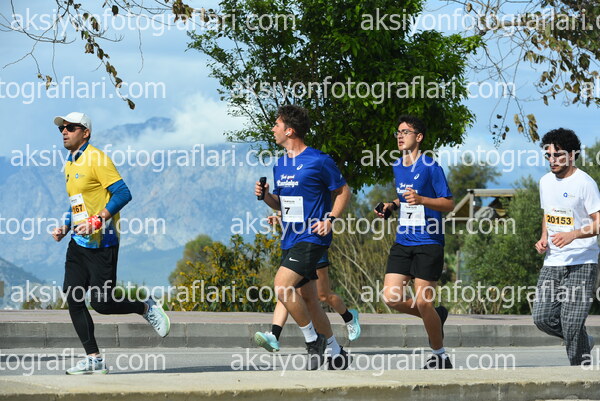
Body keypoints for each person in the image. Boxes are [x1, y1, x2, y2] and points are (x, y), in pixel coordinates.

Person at [50, 112, 170, 375]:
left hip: (103, 242)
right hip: (78, 243)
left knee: (102, 304)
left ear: (85, 132)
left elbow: (123, 193)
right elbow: (77, 203)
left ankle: (145, 307)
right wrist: (66, 226)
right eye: (62, 128)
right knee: (74, 298)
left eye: (71, 127)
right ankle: (93, 358)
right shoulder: (70, 163)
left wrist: (98, 220)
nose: (64, 132)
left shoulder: (97, 159)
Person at [254, 105, 351, 370]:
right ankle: (336, 351)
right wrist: (266, 196)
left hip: (312, 237)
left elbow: (343, 191)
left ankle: (312, 340)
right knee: (309, 299)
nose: (272, 129)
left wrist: (330, 219)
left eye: (276, 124)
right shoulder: (280, 164)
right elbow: (281, 203)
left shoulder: (319, 160)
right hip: (290, 238)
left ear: (290, 130)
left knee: (282, 286)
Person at [374, 115, 454, 369]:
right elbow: (404, 197)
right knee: (391, 298)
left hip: (429, 241)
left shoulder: (431, 167)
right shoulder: (398, 166)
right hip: (403, 241)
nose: (400, 136)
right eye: (398, 132)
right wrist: (391, 205)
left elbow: (448, 203)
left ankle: (440, 356)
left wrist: (423, 200)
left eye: (405, 132)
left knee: (422, 301)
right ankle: (435, 315)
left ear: (418, 137)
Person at [533, 128, 600, 366]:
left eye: (558, 155)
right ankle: (584, 340)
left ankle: (580, 375)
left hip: (583, 261)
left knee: (571, 323)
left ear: (572, 155)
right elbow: (548, 214)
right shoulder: (545, 182)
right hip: (553, 260)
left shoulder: (585, 183)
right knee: (541, 318)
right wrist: (543, 238)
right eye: (548, 155)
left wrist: (574, 234)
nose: (552, 160)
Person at [254, 214, 360, 352]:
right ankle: (275, 335)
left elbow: (322, 205)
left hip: (314, 240)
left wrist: (329, 221)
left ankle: (349, 317)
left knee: (323, 295)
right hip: (296, 243)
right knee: (285, 290)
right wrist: (280, 215)